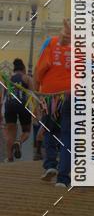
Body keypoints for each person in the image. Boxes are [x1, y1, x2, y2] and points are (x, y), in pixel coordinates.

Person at [33, 23, 71, 187]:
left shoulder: (50, 42)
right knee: (67, 135)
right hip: (72, 95)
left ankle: (50, 164)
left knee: (49, 130)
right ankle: (63, 178)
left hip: (50, 96)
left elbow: (40, 69)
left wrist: (36, 94)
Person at [3, 58, 33, 161]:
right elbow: (33, 95)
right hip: (23, 105)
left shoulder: (8, 79)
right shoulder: (26, 78)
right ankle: (19, 142)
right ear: (23, 68)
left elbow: (2, 97)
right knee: (27, 131)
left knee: (11, 133)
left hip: (9, 105)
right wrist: (37, 111)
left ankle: (10, 158)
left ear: (14, 69)